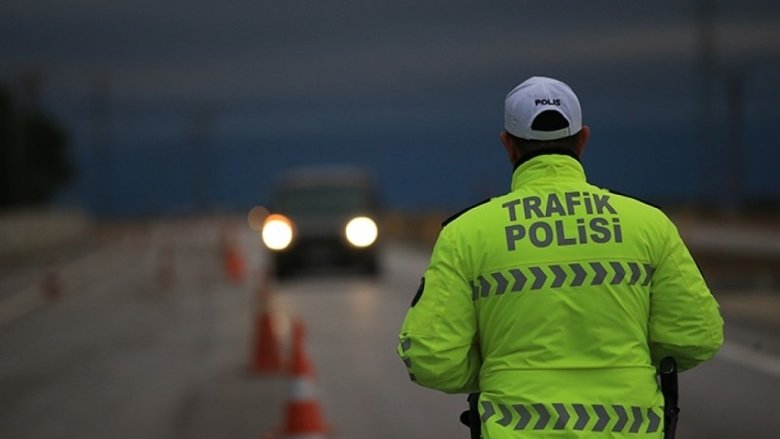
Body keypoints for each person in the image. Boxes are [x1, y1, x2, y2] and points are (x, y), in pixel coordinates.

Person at [396, 76, 724, 438]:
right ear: (583, 139)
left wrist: (499, 369)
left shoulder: (467, 233)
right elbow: (697, 336)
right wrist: (623, 360)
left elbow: (430, 358)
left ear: (508, 145)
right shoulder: (648, 224)